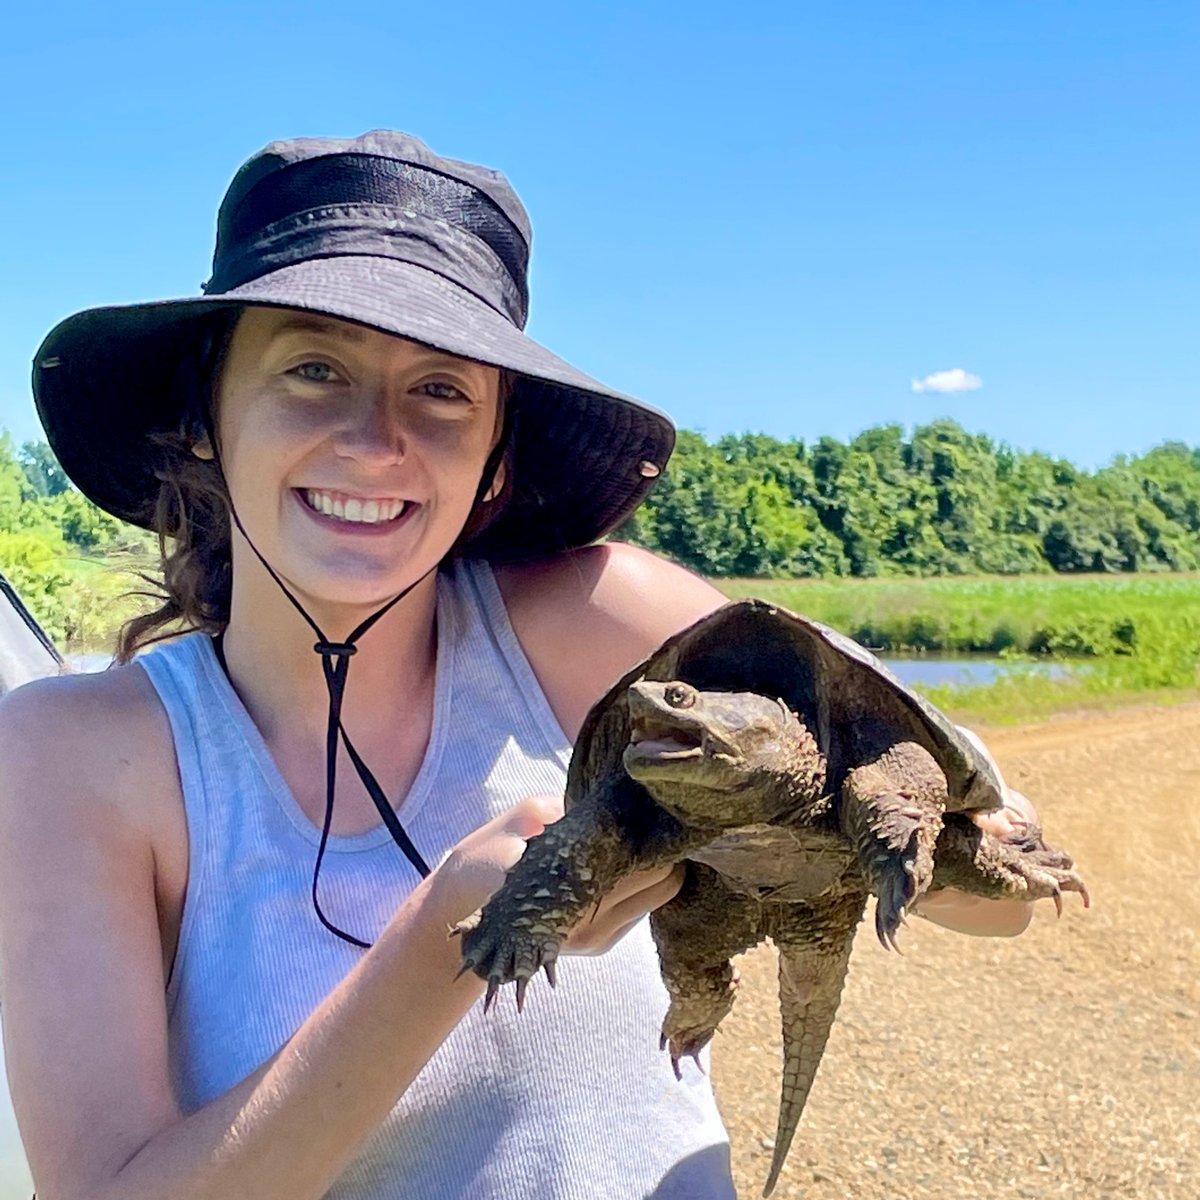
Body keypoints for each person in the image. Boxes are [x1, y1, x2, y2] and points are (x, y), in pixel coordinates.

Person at [0, 130, 1039, 1200]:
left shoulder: (602, 623)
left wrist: (823, 820)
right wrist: (451, 938)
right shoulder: (84, 754)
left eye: (441, 390)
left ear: (497, 451)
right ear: (202, 415)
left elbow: (1007, 886)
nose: (373, 438)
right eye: (314, 368)